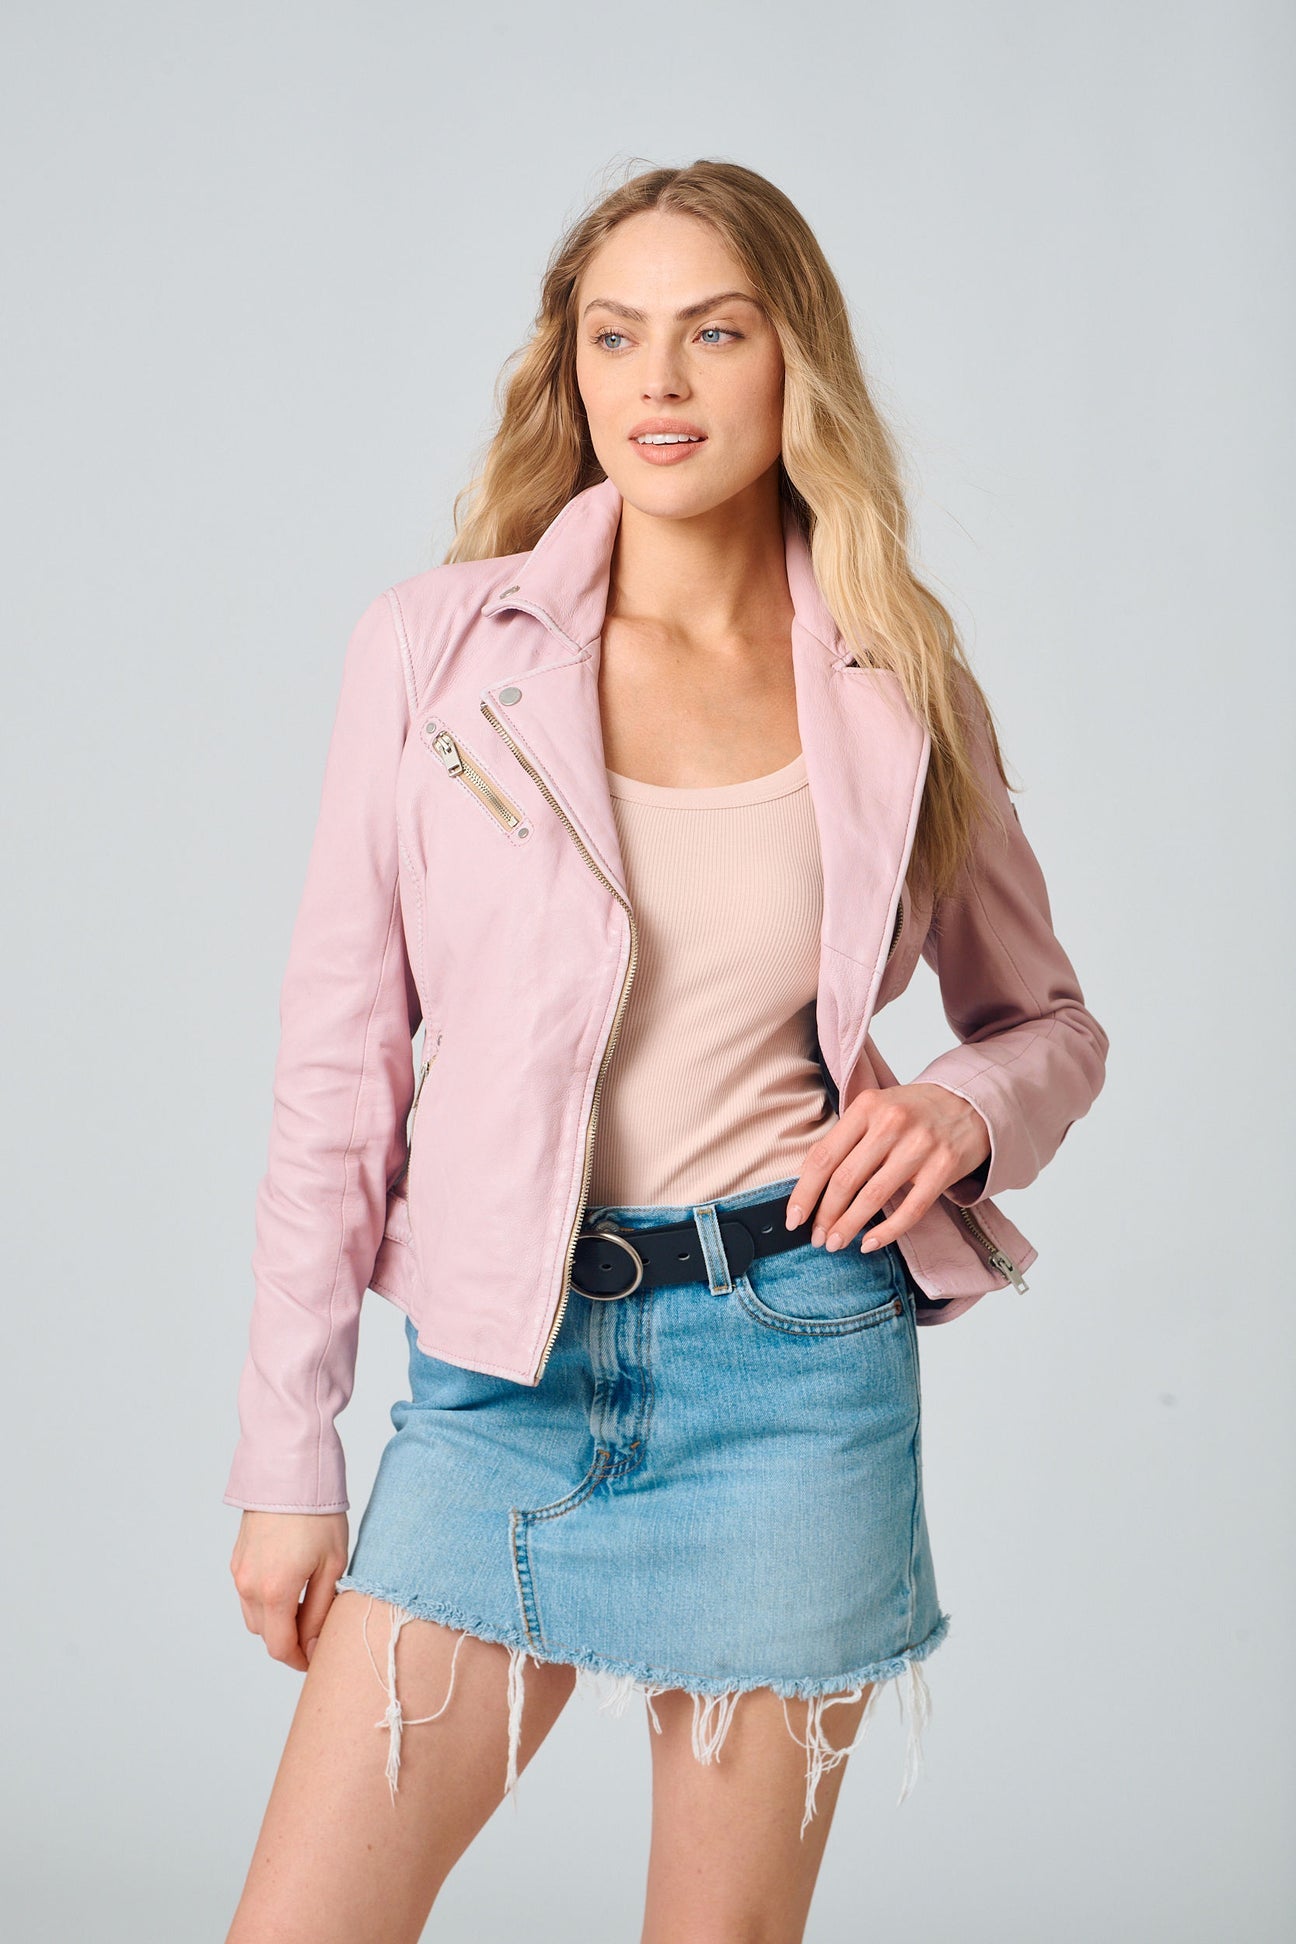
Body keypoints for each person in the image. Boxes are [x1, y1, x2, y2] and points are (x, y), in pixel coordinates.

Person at [223, 159, 1108, 1944]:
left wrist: (959, 1108)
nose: (662, 382)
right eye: (616, 336)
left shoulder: (898, 676)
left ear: (795, 365)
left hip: (795, 1364)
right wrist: (287, 1456)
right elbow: (338, 1077)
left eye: (715, 332)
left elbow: (1049, 1025)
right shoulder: (439, 653)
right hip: (500, 1375)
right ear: (570, 369)